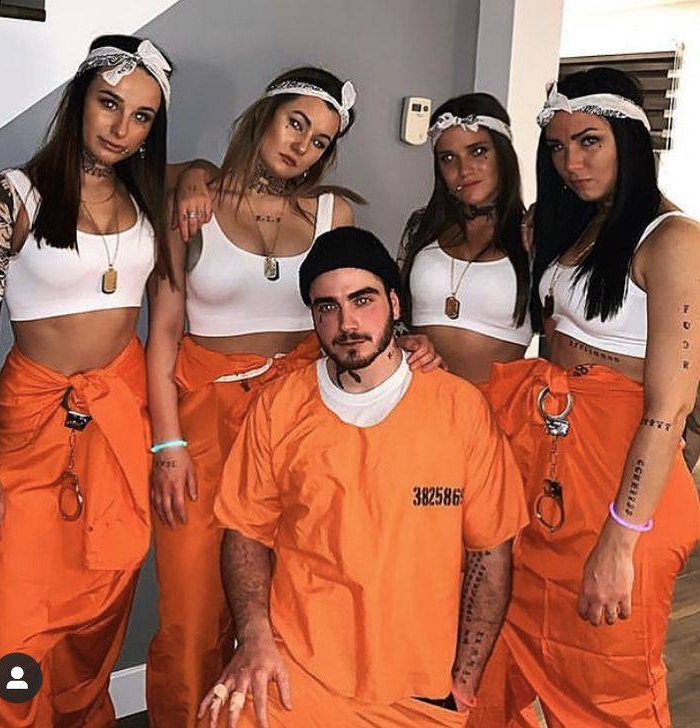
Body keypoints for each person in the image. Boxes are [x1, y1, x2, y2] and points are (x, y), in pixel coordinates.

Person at [146, 67, 441, 728]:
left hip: (303, 421)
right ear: (266, 113)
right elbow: (162, 337)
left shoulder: (334, 212)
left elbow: (360, 307)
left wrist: (412, 342)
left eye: (320, 141)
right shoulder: (194, 205)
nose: (302, 146)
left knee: (296, 601)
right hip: (204, 419)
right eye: (296, 123)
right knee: (191, 613)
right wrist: (167, 444)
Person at [195, 226, 528, 728]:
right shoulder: (278, 408)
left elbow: (490, 552)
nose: (346, 322)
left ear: (395, 303)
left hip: (419, 689)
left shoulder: (460, 410)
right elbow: (244, 532)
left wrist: (462, 682)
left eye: (362, 300)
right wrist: (255, 636)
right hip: (298, 671)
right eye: (327, 306)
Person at [469, 68, 700, 727]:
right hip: (549, 467)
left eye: (590, 141)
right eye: (560, 147)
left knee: (607, 686)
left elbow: (668, 409)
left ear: (630, 139)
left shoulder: (674, 239)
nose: (572, 162)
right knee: (500, 659)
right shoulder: (571, 226)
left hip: (622, 485)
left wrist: (620, 542)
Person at [0, 34, 173, 726]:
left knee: (97, 618)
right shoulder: (12, 193)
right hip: (30, 432)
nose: (121, 127)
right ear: (79, 100)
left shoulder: (152, 199)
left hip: (118, 424)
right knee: (10, 634)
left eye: (141, 115)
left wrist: (197, 173)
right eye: (109, 104)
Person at [398, 93, 532, 383]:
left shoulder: (533, 234)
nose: (464, 170)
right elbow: (395, 316)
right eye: (448, 158)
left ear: (503, 154)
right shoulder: (421, 226)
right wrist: (400, 342)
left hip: (494, 412)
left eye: (478, 151)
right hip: (414, 401)